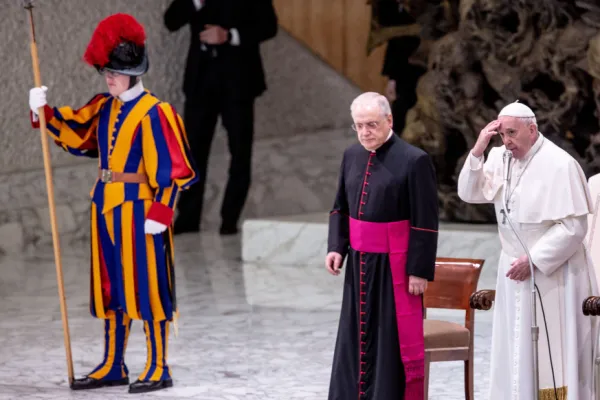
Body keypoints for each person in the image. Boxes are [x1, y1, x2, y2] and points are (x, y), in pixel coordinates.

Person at [27, 13, 197, 394]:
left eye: (116, 72)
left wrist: (162, 210)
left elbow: (174, 169)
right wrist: (43, 111)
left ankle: (158, 365)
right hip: (103, 207)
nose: (109, 77)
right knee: (111, 287)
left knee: (149, 287)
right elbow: (77, 135)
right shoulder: (105, 106)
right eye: (107, 71)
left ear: (135, 72)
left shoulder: (156, 112)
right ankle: (112, 363)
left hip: (141, 210)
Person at [457, 101, 598, 399]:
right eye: (502, 134)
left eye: (512, 133)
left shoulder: (560, 164)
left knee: (553, 353)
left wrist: (533, 260)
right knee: (514, 348)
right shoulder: (499, 157)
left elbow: (574, 227)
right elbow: (469, 193)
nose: (506, 141)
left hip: (554, 273)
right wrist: (479, 150)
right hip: (514, 269)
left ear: (532, 130)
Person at [325, 92, 439, 399]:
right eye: (359, 125)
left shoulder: (414, 160)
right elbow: (340, 207)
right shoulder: (351, 155)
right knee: (355, 337)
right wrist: (337, 247)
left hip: (395, 268)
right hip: (359, 266)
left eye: (372, 124)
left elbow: (425, 220)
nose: (365, 132)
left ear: (389, 120)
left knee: (390, 340)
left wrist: (418, 270)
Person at [163, 0, 278, 235]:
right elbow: (171, 21)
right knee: (192, 150)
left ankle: (230, 218)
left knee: (239, 151)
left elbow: (269, 26)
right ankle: (188, 216)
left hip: (238, 82)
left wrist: (230, 35)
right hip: (200, 82)